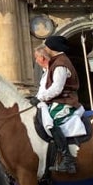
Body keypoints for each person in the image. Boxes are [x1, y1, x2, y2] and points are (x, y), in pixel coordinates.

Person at [34, 35, 84, 174]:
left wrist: (40, 98)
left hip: (66, 101)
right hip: (58, 100)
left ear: (52, 48)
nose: (45, 49)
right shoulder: (56, 62)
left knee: (52, 121)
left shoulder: (61, 64)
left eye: (47, 46)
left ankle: (68, 159)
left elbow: (57, 88)